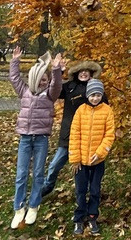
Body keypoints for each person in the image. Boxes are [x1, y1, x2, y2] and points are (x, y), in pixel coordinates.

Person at [8, 47, 65, 229]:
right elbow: (14, 78)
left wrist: (56, 69)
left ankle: (33, 206)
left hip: (41, 139)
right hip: (25, 138)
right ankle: (19, 208)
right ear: (33, 79)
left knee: (38, 173)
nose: (42, 82)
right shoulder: (24, 91)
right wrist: (15, 61)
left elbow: (57, 85)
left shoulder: (49, 95)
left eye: (45, 80)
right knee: (21, 174)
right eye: (39, 79)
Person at [42, 59, 106, 197]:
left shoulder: (96, 88)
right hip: (69, 134)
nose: (83, 73)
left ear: (91, 73)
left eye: (86, 71)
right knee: (55, 165)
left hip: (89, 137)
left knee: (87, 168)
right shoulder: (69, 87)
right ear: (76, 73)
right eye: (80, 71)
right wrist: (59, 71)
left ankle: (87, 193)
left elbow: (104, 108)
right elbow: (54, 89)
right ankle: (46, 187)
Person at [69, 78, 115, 236]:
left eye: (98, 95)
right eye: (92, 95)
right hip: (81, 160)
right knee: (81, 190)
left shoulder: (107, 111)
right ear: (87, 95)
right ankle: (79, 217)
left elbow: (109, 135)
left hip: (97, 160)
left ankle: (92, 216)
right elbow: (74, 135)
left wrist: (100, 153)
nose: (95, 98)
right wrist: (75, 158)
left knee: (95, 190)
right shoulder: (81, 111)